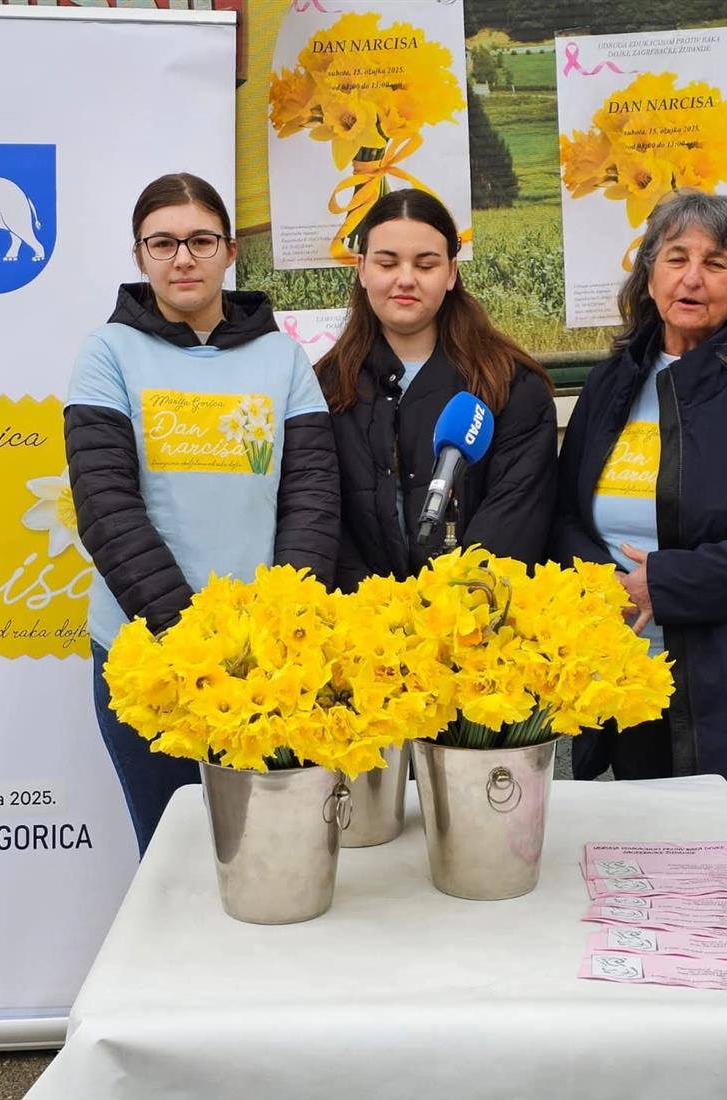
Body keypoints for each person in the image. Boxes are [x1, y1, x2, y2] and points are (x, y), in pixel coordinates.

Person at [65, 172, 340, 855]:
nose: (182, 258)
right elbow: (106, 508)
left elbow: (310, 501)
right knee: (170, 857)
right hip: (145, 652)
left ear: (227, 252)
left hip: (264, 662)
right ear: (139, 257)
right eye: (162, 243)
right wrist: (189, 637)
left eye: (199, 240)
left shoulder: (282, 360)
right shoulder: (107, 355)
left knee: (265, 856)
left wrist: (273, 635)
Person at [551, 189, 727, 853]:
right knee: (636, 888)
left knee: (725, 904)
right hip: (626, 674)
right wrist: (603, 581)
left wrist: (666, 584)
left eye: (715, 263)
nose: (690, 277)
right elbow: (568, 513)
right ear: (648, 273)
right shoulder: (610, 382)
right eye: (675, 257)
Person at [316, 188, 557, 591]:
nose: (405, 279)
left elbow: (515, 519)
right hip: (360, 631)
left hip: (475, 629)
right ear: (360, 269)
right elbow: (322, 519)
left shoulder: (508, 385)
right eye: (387, 263)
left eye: (425, 265)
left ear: (451, 273)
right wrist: (376, 615)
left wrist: (446, 612)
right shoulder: (325, 388)